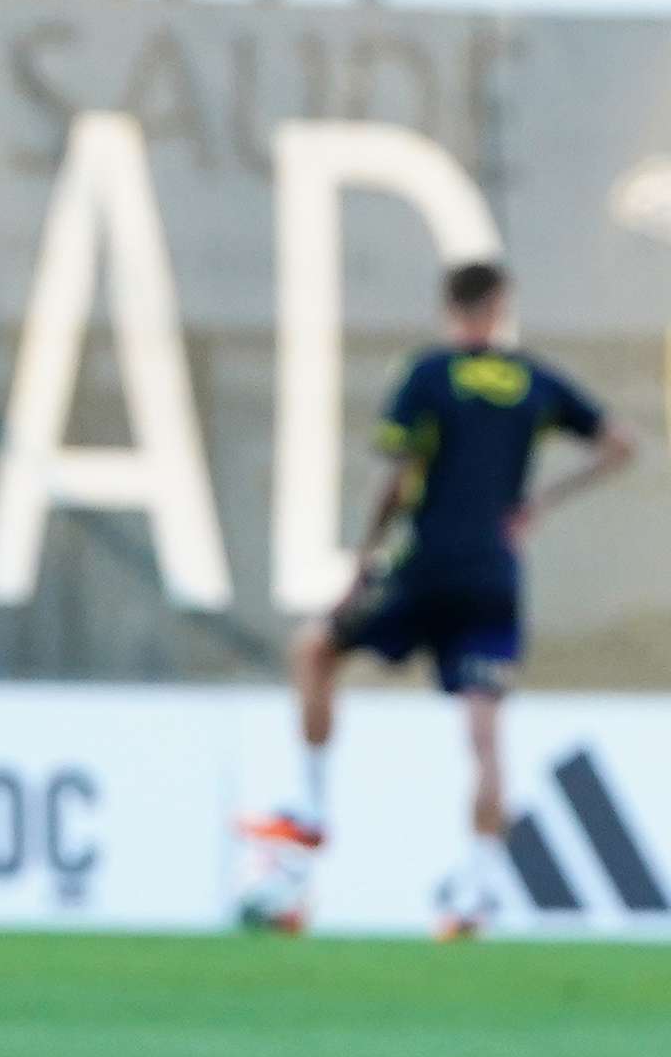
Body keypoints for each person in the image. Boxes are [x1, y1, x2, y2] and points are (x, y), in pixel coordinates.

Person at [241, 260, 633, 937]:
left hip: (424, 568)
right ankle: (476, 893)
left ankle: (309, 819)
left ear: (451, 309)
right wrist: (538, 502)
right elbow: (621, 445)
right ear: (500, 307)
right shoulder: (532, 380)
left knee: (315, 648)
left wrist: (362, 564)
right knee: (484, 734)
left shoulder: (431, 374)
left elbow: (396, 477)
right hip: (492, 576)